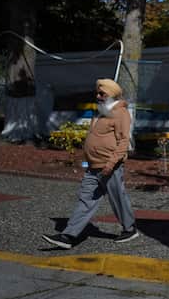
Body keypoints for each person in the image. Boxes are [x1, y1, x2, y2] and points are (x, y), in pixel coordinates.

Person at [41, 78, 140, 249]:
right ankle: (68, 236)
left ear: (111, 94)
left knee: (118, 199)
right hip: (93, 166)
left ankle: (130, 229)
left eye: (102, 93)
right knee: (85, 200)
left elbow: (124, 141)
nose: (98, 96)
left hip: (110, 166)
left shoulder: (121, 113)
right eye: (98, 93)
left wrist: (111, 164)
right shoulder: (101, 111)